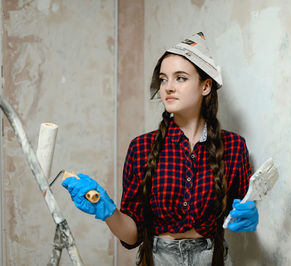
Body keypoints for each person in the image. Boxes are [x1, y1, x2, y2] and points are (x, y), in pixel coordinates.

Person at [62, 32, 259, 266]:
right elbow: (132, 236)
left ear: (206, 86)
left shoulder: (235, 147)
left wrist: (251, 214)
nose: (168, 88)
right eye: (164, 79)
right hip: (157, 259)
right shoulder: (141, 147)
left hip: (214, 259)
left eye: (180, 78)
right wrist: (107, 211)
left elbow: (240, 211)